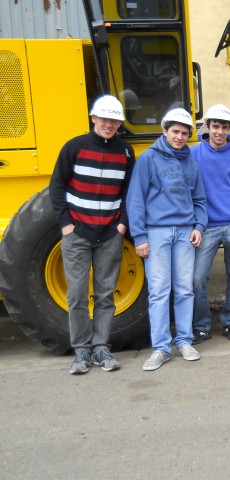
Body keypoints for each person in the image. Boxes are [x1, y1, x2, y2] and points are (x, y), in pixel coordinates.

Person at [50, 94, 135, 375]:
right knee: (76, 295)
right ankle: (82, 351)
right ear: (93, 118)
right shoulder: (74, 147)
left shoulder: (125, 151)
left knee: (105, 294)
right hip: (77, 234)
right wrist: (66, 224)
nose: (109, 124)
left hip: (109, 234)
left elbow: (128, 193)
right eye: (105, 119)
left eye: (114, 120)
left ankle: (101, 347)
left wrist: (121, 225)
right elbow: (57, 186)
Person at [127, 107, 208, 371]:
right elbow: (136, 199)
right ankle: (161, 348)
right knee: (159, 292)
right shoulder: (148, 159)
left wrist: (199, 226)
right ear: (165, 131)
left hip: (185, 233)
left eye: (185, 133)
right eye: (175, 131)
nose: (180, 137)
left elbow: (199, 200)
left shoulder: (191, 163)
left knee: (185, 289)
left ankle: (184, 341)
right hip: (157, 233)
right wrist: (139, 236)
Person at [191, 104, 230, 343]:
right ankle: (201, 326)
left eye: (224, 127)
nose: (219, 131)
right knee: (197, 279)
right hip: (205, 225)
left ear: (229, 129)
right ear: (206, 127)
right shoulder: (194, 154)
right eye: (215, 126)